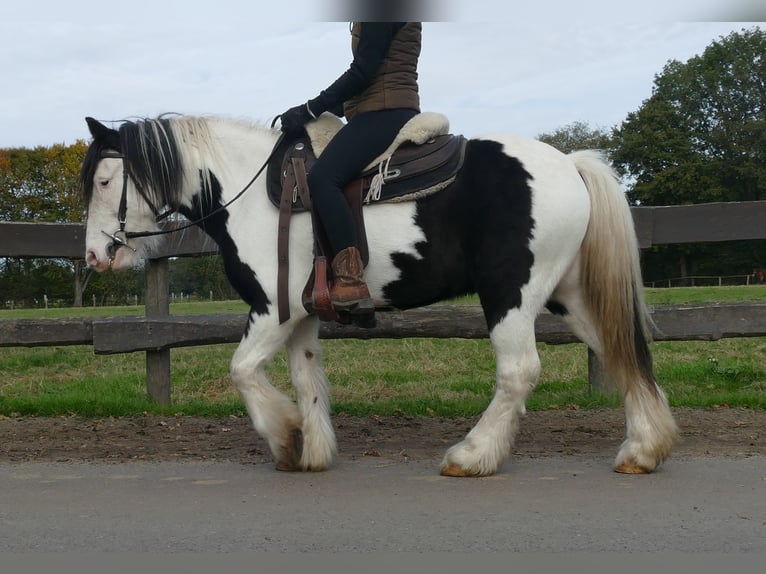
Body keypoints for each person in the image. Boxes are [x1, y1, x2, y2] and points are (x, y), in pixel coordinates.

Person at [279, 22, 422, 316]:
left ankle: (351, 280)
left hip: (385, 110)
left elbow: (363, 70)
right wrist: (333, 105)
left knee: (322, 178)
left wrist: (310, 108)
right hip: (383, 106)